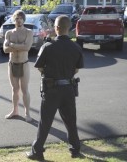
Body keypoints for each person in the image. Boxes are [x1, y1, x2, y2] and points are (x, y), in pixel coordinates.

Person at [26, 15, 84, 161]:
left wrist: (49, 73)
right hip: (69, 89)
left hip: (51, 89)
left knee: (45, 122)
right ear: (69, 28)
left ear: (56, 28)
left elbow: (39, 66)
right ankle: (75, 150)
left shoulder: (48, 46)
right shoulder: (76, 47)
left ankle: (37, 151)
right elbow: (77, 69)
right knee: (71, 121)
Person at [3, 10, 33, 122]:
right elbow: (5, 49)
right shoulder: (9, 33)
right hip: (12, 64)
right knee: (15, 89)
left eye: (20, 18)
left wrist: (12, 45)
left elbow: (27, 48)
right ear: (13, 19)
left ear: (23, 19)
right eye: (16, 18)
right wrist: (19, 45)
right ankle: (15, 110)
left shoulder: (28, 32)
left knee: (24, 89)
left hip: (23, 63)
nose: (18, 20)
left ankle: (27, 113)